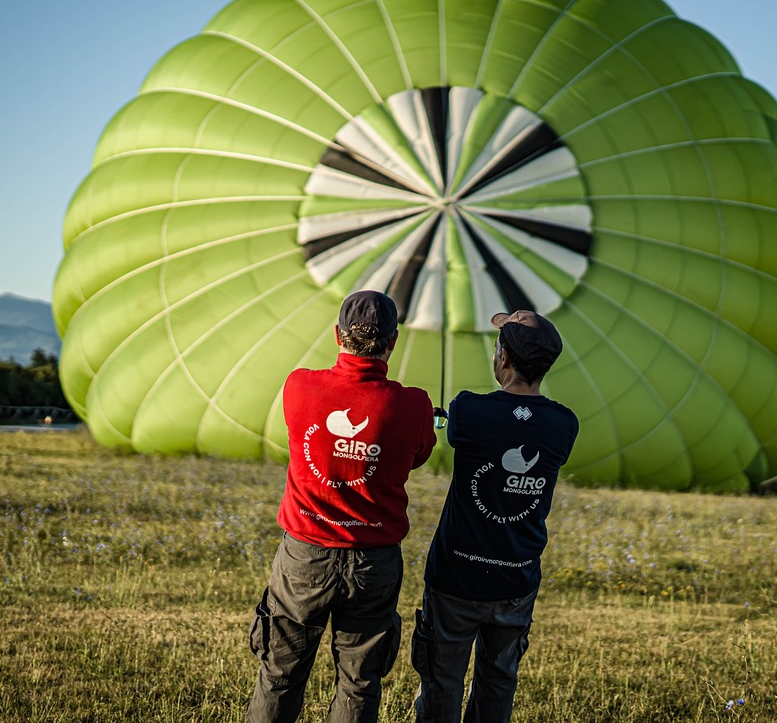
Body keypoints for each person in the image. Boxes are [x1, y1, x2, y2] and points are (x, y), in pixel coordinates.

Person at [247, 290, 437, 723]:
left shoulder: (300, 385)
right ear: (393, 342)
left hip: (304, 556)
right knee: (360, 683)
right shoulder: (414, 404)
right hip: (375, 563)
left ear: (338, 335)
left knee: (280, 674)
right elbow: (419, 454)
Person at [411, 310, 579, 723]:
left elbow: (456, 431)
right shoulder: (564, 424)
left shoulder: (469, 410)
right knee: (498, 681)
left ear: (503, 359)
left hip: (456, 577)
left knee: (442, 681)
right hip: (516, 579)